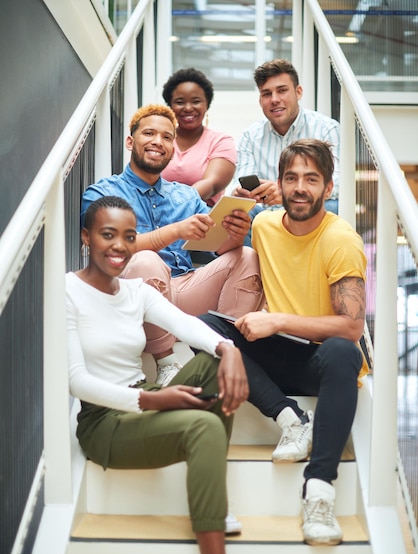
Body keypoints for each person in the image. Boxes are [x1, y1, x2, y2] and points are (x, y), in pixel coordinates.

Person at [67, 195, 281, 554]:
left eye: (129, 237)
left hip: (143, 397)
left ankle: (211, 502)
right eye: (108, 235)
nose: (119, 247)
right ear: (86, 238)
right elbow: (76, 381)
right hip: (106, 420)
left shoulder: (134, 291)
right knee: (203, 428)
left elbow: (189, 327)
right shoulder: (67, 291)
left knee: (217, 357)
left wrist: (228, 349)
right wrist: (150, 399)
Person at [201, 139, 368, 546]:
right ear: (279, 183)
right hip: (280, 355)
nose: (300, 188)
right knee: (206, 328)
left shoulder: (340, 239)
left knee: (343, 350)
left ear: (328, 189)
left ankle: (319, 491)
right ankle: (291, 419)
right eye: (291, 178)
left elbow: (351, 328)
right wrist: (232, 221)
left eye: (311, 179)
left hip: (321, 361)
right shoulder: (263, 226)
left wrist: (277, 319)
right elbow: (216, 253)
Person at [81, 104, 264, 390]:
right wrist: (174, 231)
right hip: (130, 299)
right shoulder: (103, 192)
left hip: (180, 288)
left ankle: (223, 354)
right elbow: (111, 247)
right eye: (149, 133)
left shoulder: (185, 196)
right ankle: (166, 362)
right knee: (145, 260)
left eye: (167, 137)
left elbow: (219, 247)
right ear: (131, 141)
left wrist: (236, 233)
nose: (158, 142)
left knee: (246, 256)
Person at [232, 59, 340, 245]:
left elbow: (338, 184)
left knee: (334, 207)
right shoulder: (250, 136)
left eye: (282, 90)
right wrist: (243, 193)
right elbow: (239, 183)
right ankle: (251, 273)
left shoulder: (326, 129)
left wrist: (287, 192)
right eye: (267, 94)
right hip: (265, 214)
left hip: (308, 206)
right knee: (238, 214)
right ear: (260, 100)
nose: (274, 99)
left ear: (298, 92)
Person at [161, 67, 236, 208]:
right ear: (170, 106)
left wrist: (175, 207)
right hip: (157, 213)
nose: (188, 108)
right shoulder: (160, 140)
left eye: (196, 101)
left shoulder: (220, 141)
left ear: (207, 104)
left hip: (203, 215)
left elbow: (212, 183)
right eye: (180, 102)